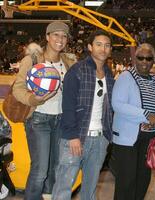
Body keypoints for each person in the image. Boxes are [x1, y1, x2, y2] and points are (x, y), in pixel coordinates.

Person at [12, 21, 76, 200]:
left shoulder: (68, 62)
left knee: (54, 168)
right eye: (56, 34)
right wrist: (33, 99)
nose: (60, 39)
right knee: (40, 171)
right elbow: (17, 89)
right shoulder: (32, 60)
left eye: (64, 36)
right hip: (38, 119)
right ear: (47, 37)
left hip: (61, 120)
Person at [52, 30, 115, 200]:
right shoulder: (77, 71)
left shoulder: (109, 75)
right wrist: (72, 136)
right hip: (75, 138)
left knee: (90, 189)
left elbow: (109, 109)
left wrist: (107, 137)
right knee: (63, 188)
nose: (103, 49)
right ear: (90, 47)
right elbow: (68, 105)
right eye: (99, 44)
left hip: (99, 139)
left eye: (107, 45)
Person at [110, 43, 155, 200]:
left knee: (143, 181)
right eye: (140, 57)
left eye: (148, 58)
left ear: (153, 60)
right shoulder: (125, 77)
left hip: (148, 140)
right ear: (134, 59)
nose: (144, 61)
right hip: (126, 140)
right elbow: (117, 104)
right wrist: (146, 115)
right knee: (126, 182)